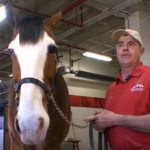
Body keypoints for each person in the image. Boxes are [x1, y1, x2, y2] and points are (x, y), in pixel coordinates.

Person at [84, 29, 150, 150]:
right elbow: (110, 121)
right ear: (116, 52)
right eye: (120, 45)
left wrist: (116, 119)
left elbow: (114, 119)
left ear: (142, 51)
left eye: (131, 44)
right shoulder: (112, 88)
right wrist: (101, 123)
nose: (125, 48)